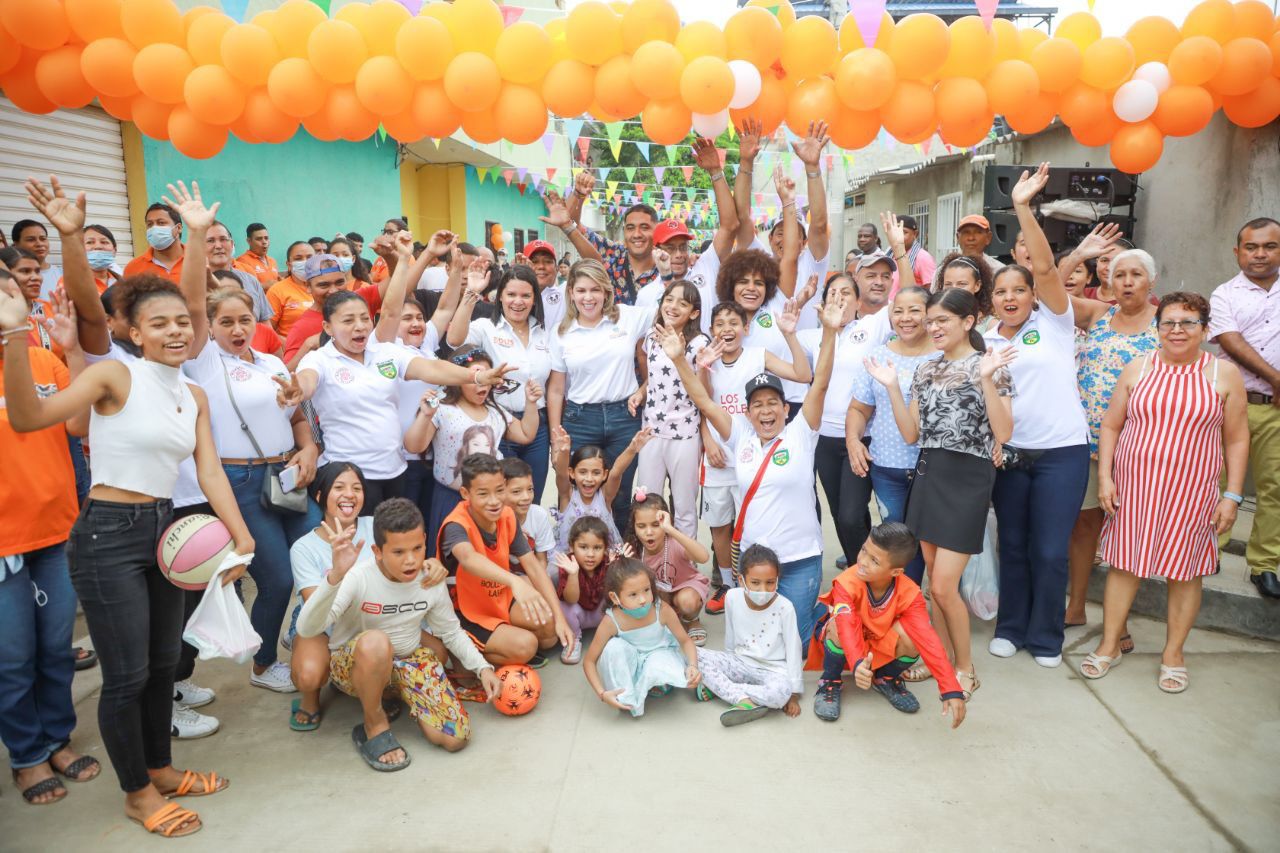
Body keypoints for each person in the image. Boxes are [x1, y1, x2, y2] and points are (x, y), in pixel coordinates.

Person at [2, 182, 255, 838]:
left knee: (164, 661)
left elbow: (208, 473)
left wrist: (241, 539)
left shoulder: (194, 393)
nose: (177, 330)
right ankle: (138, 791)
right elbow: (29, 417)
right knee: (127, 673)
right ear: (131, 331)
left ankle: (162, 768)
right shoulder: (113, 375)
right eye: (160, 322)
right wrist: (15, 334)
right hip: (107, 534)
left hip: (167, 529)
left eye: (182, 322)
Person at [1081, 292, 1249, 694]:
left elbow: (1238, 439)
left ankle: (1174, 653)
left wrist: (1234, 496)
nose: (1177, 330)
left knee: (1185, 572)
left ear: (1205, 330)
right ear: (1158, 330)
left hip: (1193, 492)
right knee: (1125, 566)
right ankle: (1109, 645)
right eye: (1169, 323)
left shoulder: (1222, 375)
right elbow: (1111, 426)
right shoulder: (1138, 368)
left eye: (1188, 323)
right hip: (1135, 489)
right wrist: (1106, 477)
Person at [669, 292, 845, 654]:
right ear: (747, 412)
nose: (766, 412)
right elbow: (703, 401)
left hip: (799, 558)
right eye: (757, 406)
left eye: (773, 404)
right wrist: (679, 361)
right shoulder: (741, 435)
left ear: (785, 407)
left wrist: (829, 331)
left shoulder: (801, 432)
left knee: (793, 644)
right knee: (759, 646)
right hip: (754, 562)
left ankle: (825, 618)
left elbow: (821, 382)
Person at [863, 288, 1015, 699]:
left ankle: (965, 669)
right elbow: (911, 433)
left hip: (968, 479)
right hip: (928, 474)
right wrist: (893, 387)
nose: (933, 327)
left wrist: (984, 379)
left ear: (968, 322)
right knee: (934, 583)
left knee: (946, 586)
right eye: (931, 321)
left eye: (942, 320)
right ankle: (941, 659)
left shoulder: (990, 366)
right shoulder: (927, 369)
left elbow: (1003, 433)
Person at [183, 275, 323, 692]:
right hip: (240, 480)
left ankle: (299, 631)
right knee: (277, 578)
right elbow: (192, 304)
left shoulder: (272, 363)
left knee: (322, 552)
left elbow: (297, 416)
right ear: (208, 326)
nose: (237, 330)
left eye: (244, 320)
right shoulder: (204, 362)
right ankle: (263, 666)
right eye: (225, 322)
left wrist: (309, 449)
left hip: (286, 475)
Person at [295, 499, 501, 771]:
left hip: (407, 661)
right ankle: (374, 723)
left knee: (455, 738)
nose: (411, 560)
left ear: (425, 540)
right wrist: (335, 577)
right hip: (354, 665)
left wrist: (483, 668)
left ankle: (398, 696)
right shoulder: (358, 577)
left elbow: (450, 631)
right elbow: (308, 629)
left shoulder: (429, 578)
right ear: (377, 551)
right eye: (399, 552)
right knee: (376, 641)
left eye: (417, 548)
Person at [984, 164, 1092, 668]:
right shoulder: (983, 338)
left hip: (1062, 454)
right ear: (992, 301)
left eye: (1018, 290)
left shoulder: (1055, 322)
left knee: (1051, 551)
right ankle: (1011, 627)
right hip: (1011, 454)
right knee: (1014, 545)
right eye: (1001, 292)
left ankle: (1046, 637)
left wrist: (1022, 208)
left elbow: (1048, 270)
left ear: (1033, 296)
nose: (1010, 298)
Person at [0, 273, 99, 806]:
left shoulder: (43, 362)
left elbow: (79, 424)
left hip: (56, 530)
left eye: (10, 295)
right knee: (12, 657)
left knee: (55, 648)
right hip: (3, 544)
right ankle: (27, 755)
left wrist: (73, 352)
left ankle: (57, 738)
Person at [288, 284, 515, 509]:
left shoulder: (386, 352)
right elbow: (307, 380)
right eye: (348, 321)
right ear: (327, 327)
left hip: (395, 470)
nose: (359, 327)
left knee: (394, 540)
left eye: (364, 319)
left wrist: (477, 377)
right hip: (349, 476)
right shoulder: (320, 360)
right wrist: (299, 390)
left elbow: (432, 369)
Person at [1059, 241, 1159, 633]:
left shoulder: (1166, 322)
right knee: (1084, 526)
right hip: (1088, 441)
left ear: (1152, 280)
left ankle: (1121, 624)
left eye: (1136, 274)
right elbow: (1047, 294)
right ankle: (1077, 606)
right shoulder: (1099, 314)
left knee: (1128, 531)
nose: (1128, 282)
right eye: (1120, 274)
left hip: (1141, 444)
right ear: (1108, 280)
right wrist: (1076, 254)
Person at [697, 300, 811, 614]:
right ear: (711, 330)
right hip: (718, 455)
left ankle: (762, 580)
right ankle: (727, 585)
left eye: (734, 322)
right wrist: (707, 440)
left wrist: (790, 336)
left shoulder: (758, 356)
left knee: (752, 523)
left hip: (753, 454)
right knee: (719, 526)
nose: (727, 329)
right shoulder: (707, 358)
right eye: (720, 323)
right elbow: (702, 403)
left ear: (746, 329)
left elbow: (803, 374)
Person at [807, 524, 967, 727]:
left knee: (914, 638)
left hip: (878, 648)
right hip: (849, 648)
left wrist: (950, 688)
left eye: (874, 560)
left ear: (896, 571)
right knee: (838, 626)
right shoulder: (846, 582)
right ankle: (829, 681)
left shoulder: (910, 593)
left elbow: (927, 638)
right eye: (864, 549)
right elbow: (847, 626)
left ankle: (885, 678)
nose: (862, 562)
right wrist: (857, 663)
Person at [546, 259, 657, 529]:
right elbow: (557, 388)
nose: (588, 297)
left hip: (624, 417)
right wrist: (555, 434)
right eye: (581, 290)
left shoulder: (627, 316)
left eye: (595, 290)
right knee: (579, 494)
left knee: (618, 495)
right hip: (580, 419)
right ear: (570, 292)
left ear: (606, 292)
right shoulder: (561, 333)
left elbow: (672, 309)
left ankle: (617, 561)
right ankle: (582, 563)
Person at [436, 454, 574, 668]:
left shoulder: (506, 515)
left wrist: (561, 618)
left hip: (497, 595)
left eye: (500, 490)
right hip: (464, 610)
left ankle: (499, 636)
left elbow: (534, 568)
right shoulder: (456, 524)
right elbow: (468, 558)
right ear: (465, 493)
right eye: (483, 494)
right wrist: (515, 581)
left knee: (549, 633)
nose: (494, 501)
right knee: (526, 646)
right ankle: (460, 650)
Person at [846, 286, 938, 585]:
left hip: (932, 468)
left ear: (929, 314)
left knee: (931, 543)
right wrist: (853, 440)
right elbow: (859, 409)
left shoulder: (943, 355)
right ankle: (902, 603)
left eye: (914, 310)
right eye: (898, 311)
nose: (905, 318)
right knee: (896, 539)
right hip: (887, 468)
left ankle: (931, 606)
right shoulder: (877, 357)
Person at [1209, 217, 1280, 599]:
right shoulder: (1224, 295)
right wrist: (1277, 378)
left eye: (1269, 246)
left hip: (1276, 412)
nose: (1259, 254)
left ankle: (1265, 564)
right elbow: (1230, 342)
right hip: (1231, 404)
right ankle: (1209, 551)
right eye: (1251, 247)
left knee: (1275, 488)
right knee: (1215, 482)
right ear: (1237, 252)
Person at [403, 343, 540, 541]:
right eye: (475, 378)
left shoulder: (495, 413)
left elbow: (526, 434)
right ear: (457, 379)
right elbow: (414, 446)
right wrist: (425, 415)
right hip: (450, 498)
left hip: (489, 501)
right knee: (452, 557)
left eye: (487, 377)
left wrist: (531, 402)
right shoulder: (442, 409)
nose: (482, 384)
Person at [447, 264, 553, 502]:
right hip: (498, 423)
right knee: (500, 499)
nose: (518, 302)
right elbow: (454, 340)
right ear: (500, 297)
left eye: (525, 295)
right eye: (511, 294)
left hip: (537, 427)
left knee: (529, 498)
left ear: (535, 299)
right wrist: (471, 293)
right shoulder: (486, 328)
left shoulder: (545, 333)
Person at [287, 462, 376, 732]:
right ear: (320, 496)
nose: (349, 494)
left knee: (435, 652)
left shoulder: (377, 526)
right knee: (309, 675)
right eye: (339, 487)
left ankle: (355, 679)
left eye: (356, 488)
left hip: (373, 616)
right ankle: (311, 698)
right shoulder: (303, 547)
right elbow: (317, 609)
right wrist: (337, 572)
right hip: (323, 623)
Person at [695, 544, 802, 726]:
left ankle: (723, 689)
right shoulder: (732, 597)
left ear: (777, 580)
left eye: (770, 582)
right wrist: (727, 665)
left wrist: (793, 694)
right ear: (742, 580)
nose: (763, 590)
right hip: (740, 662)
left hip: (773, 670)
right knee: (693, 654)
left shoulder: (785, 607)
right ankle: (743, 698)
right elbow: (730, 636)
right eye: (755, 582)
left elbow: (794, 649)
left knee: (780, 693)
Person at [633, 280, 709, 537]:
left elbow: (703, 391)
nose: (673, 306)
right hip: (651, 432)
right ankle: (648, 566)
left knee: (684, 506)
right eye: (669, 299)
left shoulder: (699, 344)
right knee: (646, 502)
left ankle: (685, 567)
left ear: (694, 313)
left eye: (683, 303)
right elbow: (655, 378)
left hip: (684, 434)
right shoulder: (652, 339)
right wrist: (641, 391)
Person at [582, 558, 701, 717]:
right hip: (632, 662)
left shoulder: (661, 609)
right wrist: (602, 694)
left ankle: (659, 682)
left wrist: (693, 666)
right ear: (615, 597)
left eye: (646, 590)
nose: (643, 599)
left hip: (659, 655)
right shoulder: (611, 621)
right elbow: (589, 661)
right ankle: (626, 696)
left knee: (658, 666)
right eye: (633, 594)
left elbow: (685, 641)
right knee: (612, 648)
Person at [558, 171, 659, 305]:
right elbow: (572, 226)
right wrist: (578, 194)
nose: (637, 234)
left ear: (656, 231)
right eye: (630, 228)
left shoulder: (668, 268)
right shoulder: (613, 253)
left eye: (645, 227)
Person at [627, 490, 711, 647]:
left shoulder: (673, 541)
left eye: (656, 524)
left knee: (687, 602)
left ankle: (691, 620)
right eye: (641, 526)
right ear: (634, 527)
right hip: (659, 595)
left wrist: (671, 529)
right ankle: (665, 621)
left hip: (684, 588)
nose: (649, 532)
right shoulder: (633, 549)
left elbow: (703, 557)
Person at [282, 249, 391, 368]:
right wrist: (308, 346)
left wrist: (392, 257)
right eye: (324, 285)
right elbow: (287, 375)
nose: (333, 290)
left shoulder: (359, 300)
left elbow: (397, 284)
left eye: (339, 282)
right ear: (308, 286)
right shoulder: (302, 328)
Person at [550, 426, 647, 553]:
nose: (589, 478)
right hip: (570, 562)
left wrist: (632, 449)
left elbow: (616, 472)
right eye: (583, 472)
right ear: (572, 473)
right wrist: (564, 451)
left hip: (603, 562)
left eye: (596, 473)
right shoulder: (567, 495)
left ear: (604, 475)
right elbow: (561, 474)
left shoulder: (605, 496)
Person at [552, 516, 614, 665]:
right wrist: (573, 575)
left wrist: (615, 569)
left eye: (597, 548)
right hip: (578, 615)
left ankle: (612, 633)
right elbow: (571, 599)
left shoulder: (608, 562)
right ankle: (573, 638)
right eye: (583, 547)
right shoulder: (568, 565)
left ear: (605, 548)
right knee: (562, 606)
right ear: (572, 547)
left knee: (618, 596)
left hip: (601, 615)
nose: (590, 554)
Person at [204, 221, 272, 324]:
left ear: (231, 245)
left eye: (223, 239)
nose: (218, 246)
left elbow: (266, 329)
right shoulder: (193, 287)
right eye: (210, 240)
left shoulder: (251, 281)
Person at [500, 457, 555, 575]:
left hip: (531, 575)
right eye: (516, 491)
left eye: (530, 489)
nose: (526, 497)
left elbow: (542, 561)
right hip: (501, 578)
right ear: (499, 492)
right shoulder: (493, 518)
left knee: (554, 573)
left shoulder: (538, 515)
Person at [123, 202, 185, 282]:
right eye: (150, 224)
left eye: (161, 223)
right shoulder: (133, 268)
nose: (154, 228)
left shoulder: (199, 260)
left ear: (178, 228)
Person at [266, 241, 316, 337]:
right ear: (289, 265)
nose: (305, 262)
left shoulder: (326, 287)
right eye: (298, 258)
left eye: (310, 257)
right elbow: (268, 330)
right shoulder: (277, 291)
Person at [933, 253, 995, 330]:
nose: (954, 289)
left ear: (977, 285)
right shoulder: (933, 321)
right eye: (948, 284)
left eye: (962, 284)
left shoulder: (991, 326)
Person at [11, 218, 62, 300]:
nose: (39, 244)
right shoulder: (9, 276)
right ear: (16, 245)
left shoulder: (62, 274)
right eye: (31, 239)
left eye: (43, 239)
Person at [898, 214, 936, 289]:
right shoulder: (889, 254)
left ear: (915, 234)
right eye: (896, 232)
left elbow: (931, 291)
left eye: (904, 232)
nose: (899, 236)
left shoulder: (923, 258)